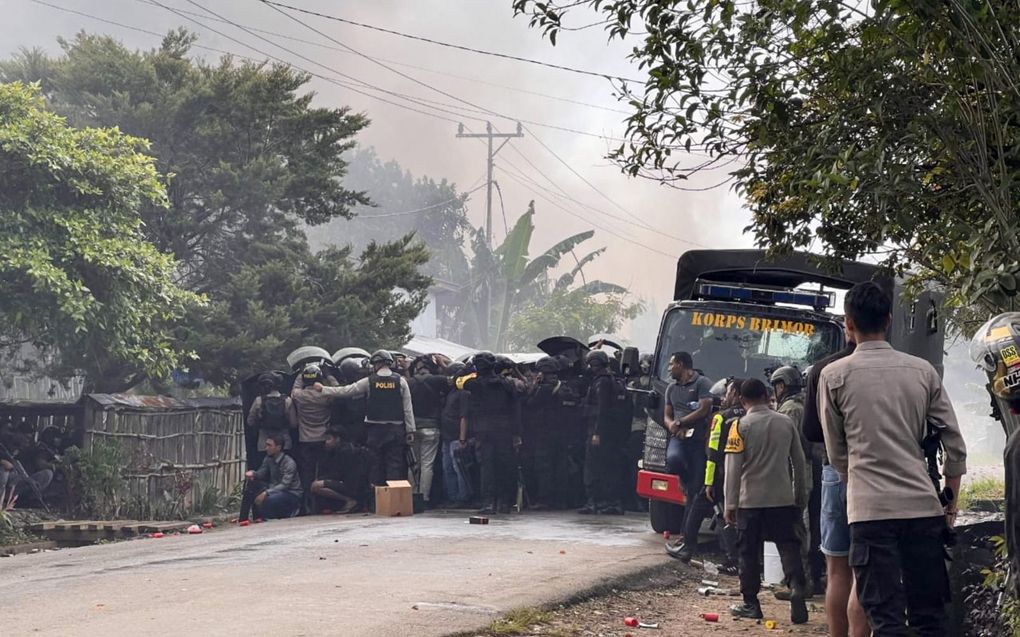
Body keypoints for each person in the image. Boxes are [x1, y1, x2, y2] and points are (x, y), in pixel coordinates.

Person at [819, 282, 967, 636]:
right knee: (929, 618)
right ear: (888, 321)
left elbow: (838, 453)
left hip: (870, 515)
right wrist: (949, 501)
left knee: (885, 621)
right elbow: (955, 444)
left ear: (848, 324)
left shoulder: (833, 376)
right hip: (923, 511)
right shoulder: (923, 371)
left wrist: (859, 484)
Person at [725, 378, 811, 624]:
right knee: (788, 546)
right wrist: (800, 495)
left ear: (742, 401)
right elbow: (799, 461)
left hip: (749, 501)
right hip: (782, 499)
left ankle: (751, 603)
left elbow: (733, 468)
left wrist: (730, 504)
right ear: (766, 395)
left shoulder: (740, 426)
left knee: (748, 552)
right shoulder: (785, 422)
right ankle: (796, 587)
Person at [802, 333, 868, 637]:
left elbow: (812, 431)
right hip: (873, 476)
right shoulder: (896, 367)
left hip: (833, 472)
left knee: (837, 569)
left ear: (849, 325)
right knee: (864, 572)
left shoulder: (823, 369)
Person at [668, 377, 743, 569]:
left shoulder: (721, 418)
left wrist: (709, 482)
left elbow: (713, 453)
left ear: (735, 394)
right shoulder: (749, 415)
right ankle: (734, 558)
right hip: (743, 474)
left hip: (719, 475)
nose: (724, 397)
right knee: (727, 514)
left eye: (728, 393)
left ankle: (688, 546)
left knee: (699, 509)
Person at [314, 350, 416, 486]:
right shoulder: (401, 381)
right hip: (395, 430)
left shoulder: (369, 381)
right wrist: (410, 430)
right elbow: (407, 409)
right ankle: (393, 501)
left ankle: (375, 499)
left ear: (377, 364)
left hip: (375, 431)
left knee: (376, 465)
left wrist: (324, 389)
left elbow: (347, 390)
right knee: (394, 465)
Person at [770, 366, 822, 598]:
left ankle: (802, 583)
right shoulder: (805, 404)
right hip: (807, 469)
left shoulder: (790, 409)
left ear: (781, 386)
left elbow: (786, 446)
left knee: (798, 528)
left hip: (796, 472)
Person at [459, 351, 522, 514]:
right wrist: (517, 434)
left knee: (487, 468)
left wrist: (467, 367)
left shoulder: (473, 384)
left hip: (483, 431)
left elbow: (456, 381)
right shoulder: (507, 384)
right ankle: (504, 503)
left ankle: (488, 503)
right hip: (505, 431)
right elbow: (515, 409)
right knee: (505, 466)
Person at [663, 352, 714, 548]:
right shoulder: (670, 388)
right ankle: (684, 480)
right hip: (678, 437)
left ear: (682, 365)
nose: (669, 369)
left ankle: (686, 536)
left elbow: (704, 409)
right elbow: (667, 414)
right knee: (673, 460)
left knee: (695, 491)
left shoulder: (702, 383)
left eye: (671, 364)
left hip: (698, 440)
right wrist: (673, 426)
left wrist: (682, 422)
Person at [577, 349, 631, 516]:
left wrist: (596, 432)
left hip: (598, 431)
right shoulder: (612, 379)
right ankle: (608, 502)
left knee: (593, 467)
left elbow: (602, 408)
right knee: (609, 467)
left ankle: (594, 502)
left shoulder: (602, 382)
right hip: (610, 433)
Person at [525, 356, 573, 510]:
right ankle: (561, 500)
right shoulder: (565, 388)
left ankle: (545, 499)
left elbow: (529, 403)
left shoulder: (544, 389)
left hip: (544, 432)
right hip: (564, 433)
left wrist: (534, 385)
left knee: (543, 467)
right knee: (561, 466)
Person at [290, 362, 340, 504]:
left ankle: (308, 504)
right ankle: (325, 503)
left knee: (307, 473)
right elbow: (338, 390)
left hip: (305, 439)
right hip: (324, 438)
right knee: (325, 472)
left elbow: (295, 388)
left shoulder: (299, 396)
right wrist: (328, 375)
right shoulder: (325, 395)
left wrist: (301, 373)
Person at [407, 355, 450, 506]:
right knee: (427, 465)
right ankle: (424, 498)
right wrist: (444, 365)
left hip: (413, 427)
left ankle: (411, 496)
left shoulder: (408, 382)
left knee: (413, 464)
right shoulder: (438, 380)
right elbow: (454, 379)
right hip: (432, 426)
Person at [239, 434, 302, 521]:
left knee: (269, 499)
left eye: (269, 445)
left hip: (291, 493)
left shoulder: (289, 463)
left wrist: (266, 493)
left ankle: (272, 516)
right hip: (274, 489)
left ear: (278, 447)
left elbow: (285, 485)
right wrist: (253, 473)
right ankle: (243, 518)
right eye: (266, 445)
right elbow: (261, 473)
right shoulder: (268, 459)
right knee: (251, 484)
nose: (266, 448)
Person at [311, 428, 371, 513]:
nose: (326, 442)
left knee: (315, 486)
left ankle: (350, 501)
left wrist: (322, 479)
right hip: (353, 483)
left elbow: (338, 473)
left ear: (337, 439)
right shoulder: (342, 450)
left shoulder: (344, 452)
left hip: (352, 485)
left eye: (329, 439)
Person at [440, 362, 472, 506]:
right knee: (448, 468)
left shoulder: (464, 393)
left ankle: (462, 497)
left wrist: (462, 438)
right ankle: (452, 497)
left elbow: (464, 417)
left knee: (458, 468)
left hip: (456, 437)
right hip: (447, 436)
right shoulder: (451, 392)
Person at [625, 354, 654, 512]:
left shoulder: (634, 383)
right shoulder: (653, 383)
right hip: (642, 427)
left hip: (641, 428)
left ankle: (636, 500)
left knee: (635, 466)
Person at [247, 372, 295, 455]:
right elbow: (294, 424)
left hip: (264, 444)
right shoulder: (287, 400)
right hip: (284, 443)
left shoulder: (259, 400)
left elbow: (250, 422)